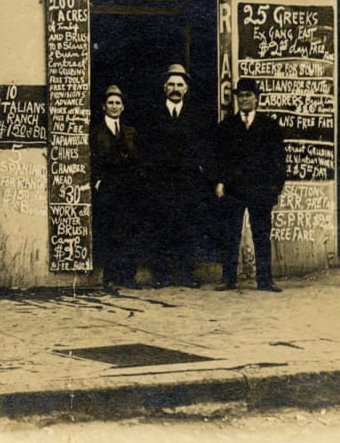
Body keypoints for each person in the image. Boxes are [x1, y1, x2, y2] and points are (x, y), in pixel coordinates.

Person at [212, 77, 287, 292]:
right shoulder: (226, 127)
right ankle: (228, 279)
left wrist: (275, 187)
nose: (244, 100)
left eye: (248, 95)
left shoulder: (270, 126)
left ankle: (264, 280)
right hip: (234, 190)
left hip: (261, 190)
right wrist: (219, 182)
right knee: (230, 233)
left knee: (262, 235)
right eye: (240, 96)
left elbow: (279, 160)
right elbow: (218, 158)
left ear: (257, 99)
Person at [143, 63, 213, 288]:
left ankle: (185, 275)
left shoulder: (197, 115)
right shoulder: (152, 114)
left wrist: (199, 170)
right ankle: (160, 275)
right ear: (164, 88)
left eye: (179, 85)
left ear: (186, 90)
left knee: (187, 228)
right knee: (160, 227)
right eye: (171, 84)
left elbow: (204, 146)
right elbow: (145, 148)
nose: (175, 88)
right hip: (160, 182)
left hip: (187, 182)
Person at [89, 85, 141, 288]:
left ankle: (129, 276)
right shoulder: (96, 132)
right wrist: (98, 182)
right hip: (108, 187)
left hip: (128, 188)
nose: (114, 106)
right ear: (104, 106)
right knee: (110, 231)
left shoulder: (130, 132)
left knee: (129, 230)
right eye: (110, 102)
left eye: (118, 103)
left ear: (123, 107)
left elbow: (138, 159)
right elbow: (92, 160)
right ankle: (110, 276)